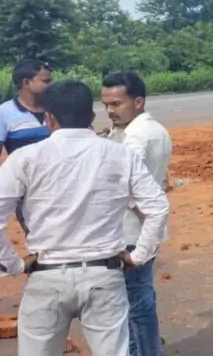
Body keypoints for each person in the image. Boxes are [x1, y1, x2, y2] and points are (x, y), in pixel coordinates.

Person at [0, 80, 170, 356]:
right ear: (91, 117)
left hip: (47, 275)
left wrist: (15, 264)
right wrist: (139, 255)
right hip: (103, 275)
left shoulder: (24, 158)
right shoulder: (120, 155)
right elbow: (158, 208)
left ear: (48, 118)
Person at [101, 71, 173, 356]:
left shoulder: (135, 136)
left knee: (134, 303)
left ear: (138, 101)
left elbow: (126, 187)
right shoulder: (154, 129)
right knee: (141, 297)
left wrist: (144, 212)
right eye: (106, 104)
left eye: (116, 104)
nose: (109, 111)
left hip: (132, 232)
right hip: (143, 230)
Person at [0, 59, 53, 235]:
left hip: (61, 185)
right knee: (39, 238)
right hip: (28, 193)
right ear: (26, 83)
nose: (51, 85)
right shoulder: (4, 113)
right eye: (46, 81)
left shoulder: (56, 108)